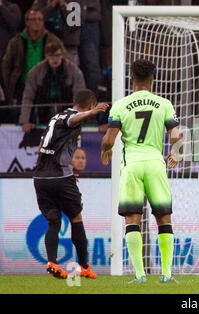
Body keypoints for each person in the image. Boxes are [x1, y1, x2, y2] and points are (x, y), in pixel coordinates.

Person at [100, 59, 182, 284]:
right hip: (155, 163)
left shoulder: (120, 105)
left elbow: (109, 138)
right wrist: (175, 152)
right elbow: (175, 136)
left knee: (132, 218)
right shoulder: (163, 103)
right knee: (163, 217)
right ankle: (166, 274)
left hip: (132, 165)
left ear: (131, 79)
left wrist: (105, 151)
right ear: (152, 79)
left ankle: (140, 275)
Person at [33, 89, 108, 279]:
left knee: (53, 221)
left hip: (41, 177)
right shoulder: (71, 116)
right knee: (76, 218)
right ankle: (84, 266)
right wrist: (92, 113)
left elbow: (42, 146)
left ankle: (52, 262)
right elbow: (73, 120)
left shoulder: (55, 117)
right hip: (60, 177)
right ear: (89, 105)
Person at [2, 8, 63, 124]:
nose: (37, 22)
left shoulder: (52, 40)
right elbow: (6, 66)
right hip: (22, 87)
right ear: (27, 22)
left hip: (47, 87)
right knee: (22, 121)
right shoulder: (16, 41)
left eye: (40, 19)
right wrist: (8, 86)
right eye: (33, 19)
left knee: (47, 121)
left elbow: (64, 61)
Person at [19, 40, 86, 133]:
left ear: (62, 55)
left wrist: (77, 119)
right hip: (42, 112)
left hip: (67, 110)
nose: (55, 59)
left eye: (57, 55)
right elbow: (28, 97)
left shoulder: (74, 71)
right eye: (51, 56)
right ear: (46, 56)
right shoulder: (35, 72)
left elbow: (80, 98)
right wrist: (25, 121)